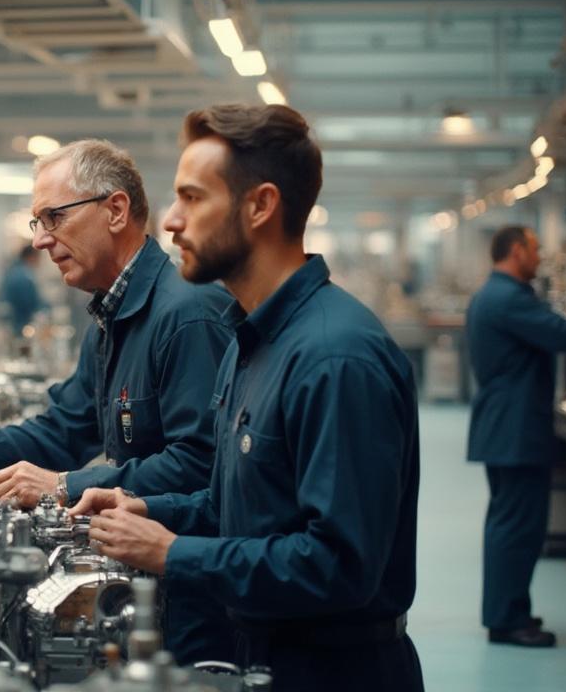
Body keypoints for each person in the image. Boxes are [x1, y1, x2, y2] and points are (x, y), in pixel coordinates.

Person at [72, 104, 424, 691]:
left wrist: (172, 553)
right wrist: (146, 511)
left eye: (193, 198)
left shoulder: (335, 357)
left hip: (335, 671)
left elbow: (338, 567)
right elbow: (237, 509)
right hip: (262, 655)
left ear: (260, 206)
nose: (172, 221)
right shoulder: (250, 339)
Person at [0, 139, 235, 664]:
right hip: (142, 588)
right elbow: (58, 432)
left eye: (54, 217)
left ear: (115, 210)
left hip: (191, 604)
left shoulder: (184, 315)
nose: (41, 241)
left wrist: (64, 485)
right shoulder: (108, 324)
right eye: (37, 222)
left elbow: (202, 465)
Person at [465, 225, 566, 648]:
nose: (539, 257)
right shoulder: (508, 298)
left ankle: (509, 611)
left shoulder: (494, 295)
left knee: (511, 525)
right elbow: (562, 334)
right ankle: (507, 620)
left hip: (505, 428)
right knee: (516, 528)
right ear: (517, 251)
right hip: (513, 431)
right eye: (535, 249)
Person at [0, 246, 47, 337]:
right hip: (20, 325)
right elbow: (29, 303)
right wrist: (44, 309)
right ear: (32, 257)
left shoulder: (13, 271)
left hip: (12, 324)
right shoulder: (24, 277)